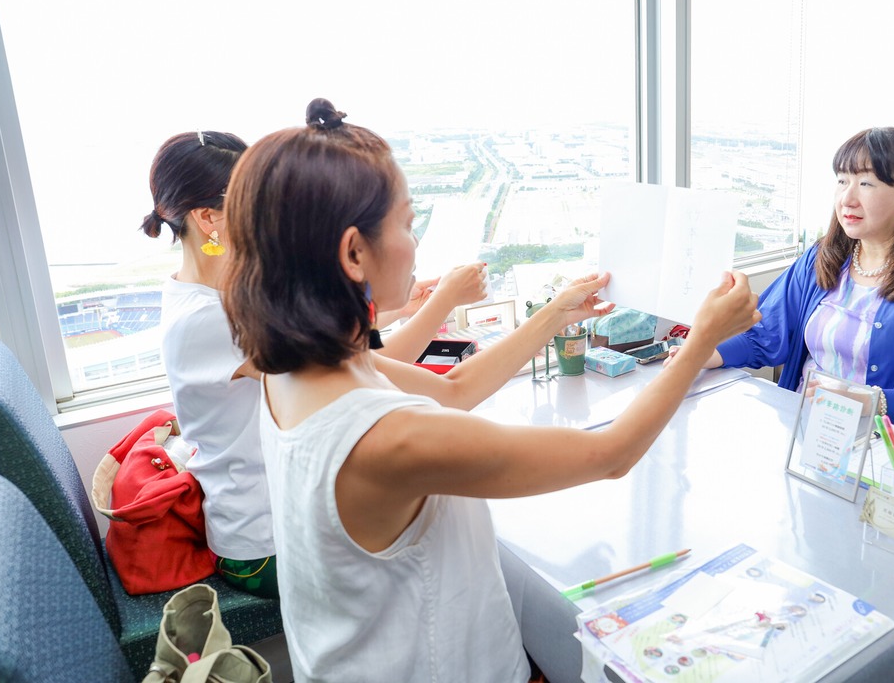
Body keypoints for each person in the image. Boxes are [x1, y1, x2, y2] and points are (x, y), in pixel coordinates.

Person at [219, 98, 760, 682]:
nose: (415, 241)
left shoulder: (292, 369)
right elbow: (610, 454)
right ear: (354, 252)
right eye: (406, 222)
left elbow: (451, 391)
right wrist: (702, 337)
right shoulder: (386, 438)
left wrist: (554, 313)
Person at [141, 130, 487, 599]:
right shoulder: (213, 319)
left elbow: (321, 340)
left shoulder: (202, 294)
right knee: (437, 545)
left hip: (270, 513)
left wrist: (398, 308)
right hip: (261, 546)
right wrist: (442, 302)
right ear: (208, 219)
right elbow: (370, 367)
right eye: (252, 200)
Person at [678, 127, 894, 446]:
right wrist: (705, 353)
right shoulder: (822, 257)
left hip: (887, 454)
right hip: (805, 437)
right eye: (842, 181)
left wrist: (867, 400)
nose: (847, 198)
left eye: (865, 183)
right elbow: (766, 332)